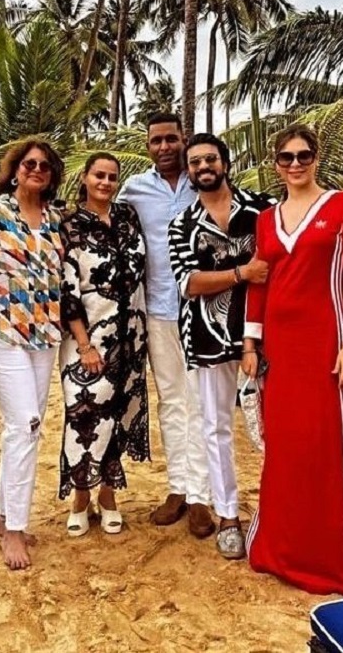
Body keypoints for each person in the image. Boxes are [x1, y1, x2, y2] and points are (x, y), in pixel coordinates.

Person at [243, 124, 343, 596]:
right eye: (286, 157)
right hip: (278, 348)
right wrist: (250, 343)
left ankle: (327, 557)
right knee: (283, 447)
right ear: (276, 165)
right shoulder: (266, 219)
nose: (295, 164)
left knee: (322, 445)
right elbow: (260, 282)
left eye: (303, 155)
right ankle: (279, 549)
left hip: (324, 346)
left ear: (316, 158)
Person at [168, 134, 274, 559]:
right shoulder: (182, 225)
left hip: (266, 333)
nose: (203, 166)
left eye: (210, 159)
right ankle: (228, 515)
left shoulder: (263, 211)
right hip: (206, 336)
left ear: (225, 163)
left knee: (273, 425)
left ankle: (279, 512)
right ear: (189, 172)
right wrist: (242, 273)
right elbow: (189, 283)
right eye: (195, 162)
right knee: (215, 427)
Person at [119, 112, 213, 538]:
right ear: (147, 146)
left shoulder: (205, 181)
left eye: (171, 139)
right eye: (156, 140)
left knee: (201, 404)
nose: (164, 147)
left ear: (183, 139)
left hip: (205, 312)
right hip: (157, 312)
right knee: (171, 402)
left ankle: (201, 496)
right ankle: (178, 488)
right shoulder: (134, 190)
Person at [0, 138, 65, 570]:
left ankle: (2, 516)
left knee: (25, 428)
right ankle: (14, 530)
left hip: (44, 335)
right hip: (2, 334)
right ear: (14, 170)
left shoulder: (55, 219)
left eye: (45, 166)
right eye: (29, 163)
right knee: (25, 424)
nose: (37, 170)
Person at [60, 152, 150, 536]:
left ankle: (109, 496)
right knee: (85, 415)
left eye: (112, 177)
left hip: (132, 335)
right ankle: (81, 497)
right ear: (85, 177)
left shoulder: (128, 216)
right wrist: (84, 345)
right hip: (89, 336)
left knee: (120, 414)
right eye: (99, 175)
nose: (106, 183)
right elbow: (67, 289)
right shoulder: (69, 225)